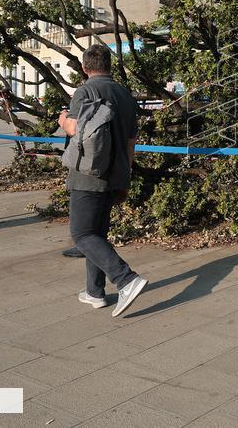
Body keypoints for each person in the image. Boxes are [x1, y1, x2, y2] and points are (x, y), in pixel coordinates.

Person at [58, 44, 147, 317]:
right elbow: (131, 141)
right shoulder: (125, 94)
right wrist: (125, 176)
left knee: (82, 234)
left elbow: (76, 129)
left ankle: (126, 279)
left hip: (88, 175)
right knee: (97, 234)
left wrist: (62, 119)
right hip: (116, 173)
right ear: (108, 65)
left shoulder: (85, 91)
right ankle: (95, 292)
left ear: (85, 68)